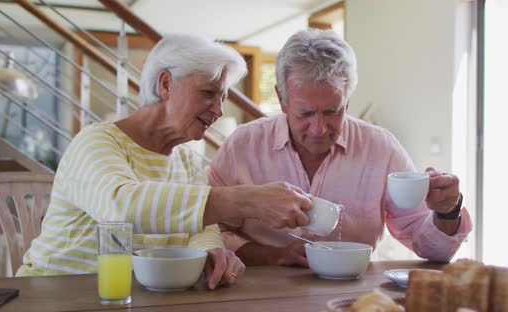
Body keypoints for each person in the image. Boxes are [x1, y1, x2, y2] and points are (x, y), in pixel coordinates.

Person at [17, 33, 312, 289]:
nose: (219, 110)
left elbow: (201, 227)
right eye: (209, 93)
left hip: (138, 296)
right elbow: (122, 207)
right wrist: (248, 200)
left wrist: (211, 252)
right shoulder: (96, 142)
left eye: (222, 97)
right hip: (54, 290)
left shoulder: (186, 159)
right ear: (166, 84)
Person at [207, 29, 472, 267]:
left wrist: (448, 211)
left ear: (348, 99)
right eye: (305, 113)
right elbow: (207, 230)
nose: (319, 128)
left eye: (332, 111)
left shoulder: (381, 148)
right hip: (259, 295)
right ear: (281, 99)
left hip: (352, 297)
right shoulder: (242, 146)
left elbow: (431, 248)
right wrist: (270, 255)